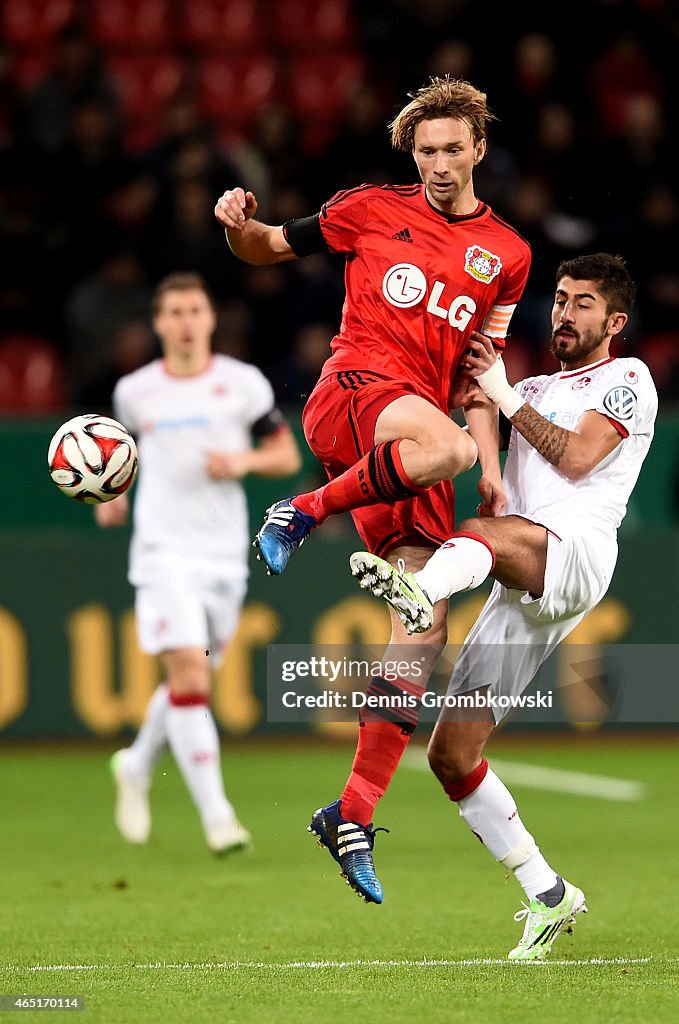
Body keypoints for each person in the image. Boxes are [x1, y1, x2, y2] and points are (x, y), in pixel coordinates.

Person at [214, 77, 531, 902]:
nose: (436, 163)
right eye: (424, 150)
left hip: (420, 442)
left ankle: (351, 810)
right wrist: (238, 227)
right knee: (445, 446)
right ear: (411, 154)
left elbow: (478, 377)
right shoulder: (363, 209)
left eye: (450, 149)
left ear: (478, 151)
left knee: (420, 626)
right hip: (355, 392)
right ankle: (303, 510)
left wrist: (490, 465)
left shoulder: (508, 256)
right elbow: (268, 249)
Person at [350, 253, 657, 958]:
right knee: (451, 755)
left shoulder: (626, 379)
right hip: (520, 576)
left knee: (476, 537)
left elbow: (577, 460)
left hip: (574, 554)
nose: (563, 312)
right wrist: (487, 446)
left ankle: (418, 592)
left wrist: (503, 396)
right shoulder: (536, 383)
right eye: (558, 298)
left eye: (582, 303)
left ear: (613, 321)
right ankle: (547, 892)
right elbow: (482, 403)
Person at [95, 272, 302, 854]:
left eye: (195, 310)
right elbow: (117, 468)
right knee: (188, 673)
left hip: (222, 554)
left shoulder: (242, 385)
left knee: (193, 676)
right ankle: (218, 818)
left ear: (211, 319)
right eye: (174, 312)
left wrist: (240, 461)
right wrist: (111, 502)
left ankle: (135, 764)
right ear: (158, 323)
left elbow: (285, 454)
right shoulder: (135, 392)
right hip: (162, 551)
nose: (186, 322)